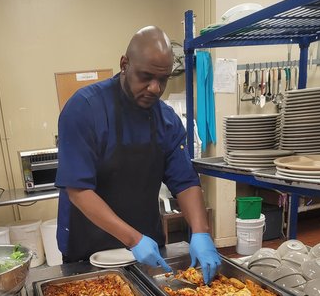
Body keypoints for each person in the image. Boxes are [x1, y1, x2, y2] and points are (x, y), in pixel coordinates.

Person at [55, 25, 221, 283]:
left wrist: (201, 232)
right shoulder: (85, 109)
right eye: (145, 77)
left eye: (163, 79)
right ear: (124, 65)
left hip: (147, 247)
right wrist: (133, 239)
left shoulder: (167, 120)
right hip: (89, 247)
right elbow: (78, 190)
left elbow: (185, 181)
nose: (155, 88)